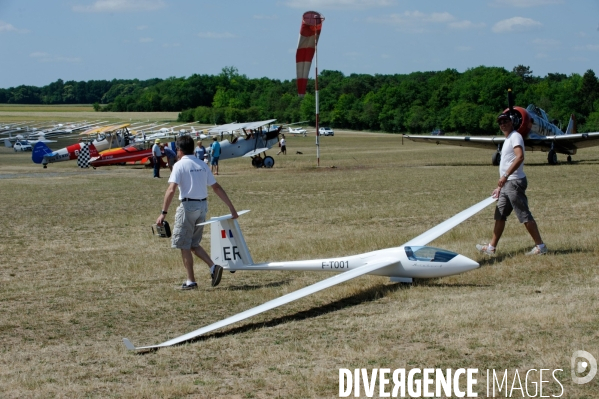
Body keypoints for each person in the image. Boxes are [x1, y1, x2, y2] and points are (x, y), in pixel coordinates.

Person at [156, 135, 238, 290]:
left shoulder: (179, 166)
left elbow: (171, 189)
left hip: (187, 207)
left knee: (184, 244)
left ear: (179, 150)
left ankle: (191, 281)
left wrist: (163, 212)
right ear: (193, 149)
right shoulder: (202, 164)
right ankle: (213, 267)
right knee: (193, 243)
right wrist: (231, 208)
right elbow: (216, 187)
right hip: (202, 207)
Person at [476, 113, 547, 256]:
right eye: (500, 122)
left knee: (524, 215)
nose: (503, 124)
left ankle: (540, 246)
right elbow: (507, 162)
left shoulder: (515, 136)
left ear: (512, 122)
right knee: (500, 214)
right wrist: (499, 187)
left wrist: (506, 176)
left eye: (505, 121)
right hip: (506, 183)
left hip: (514, 182)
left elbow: (519, 156)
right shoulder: (507, 139)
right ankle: (491, 247)